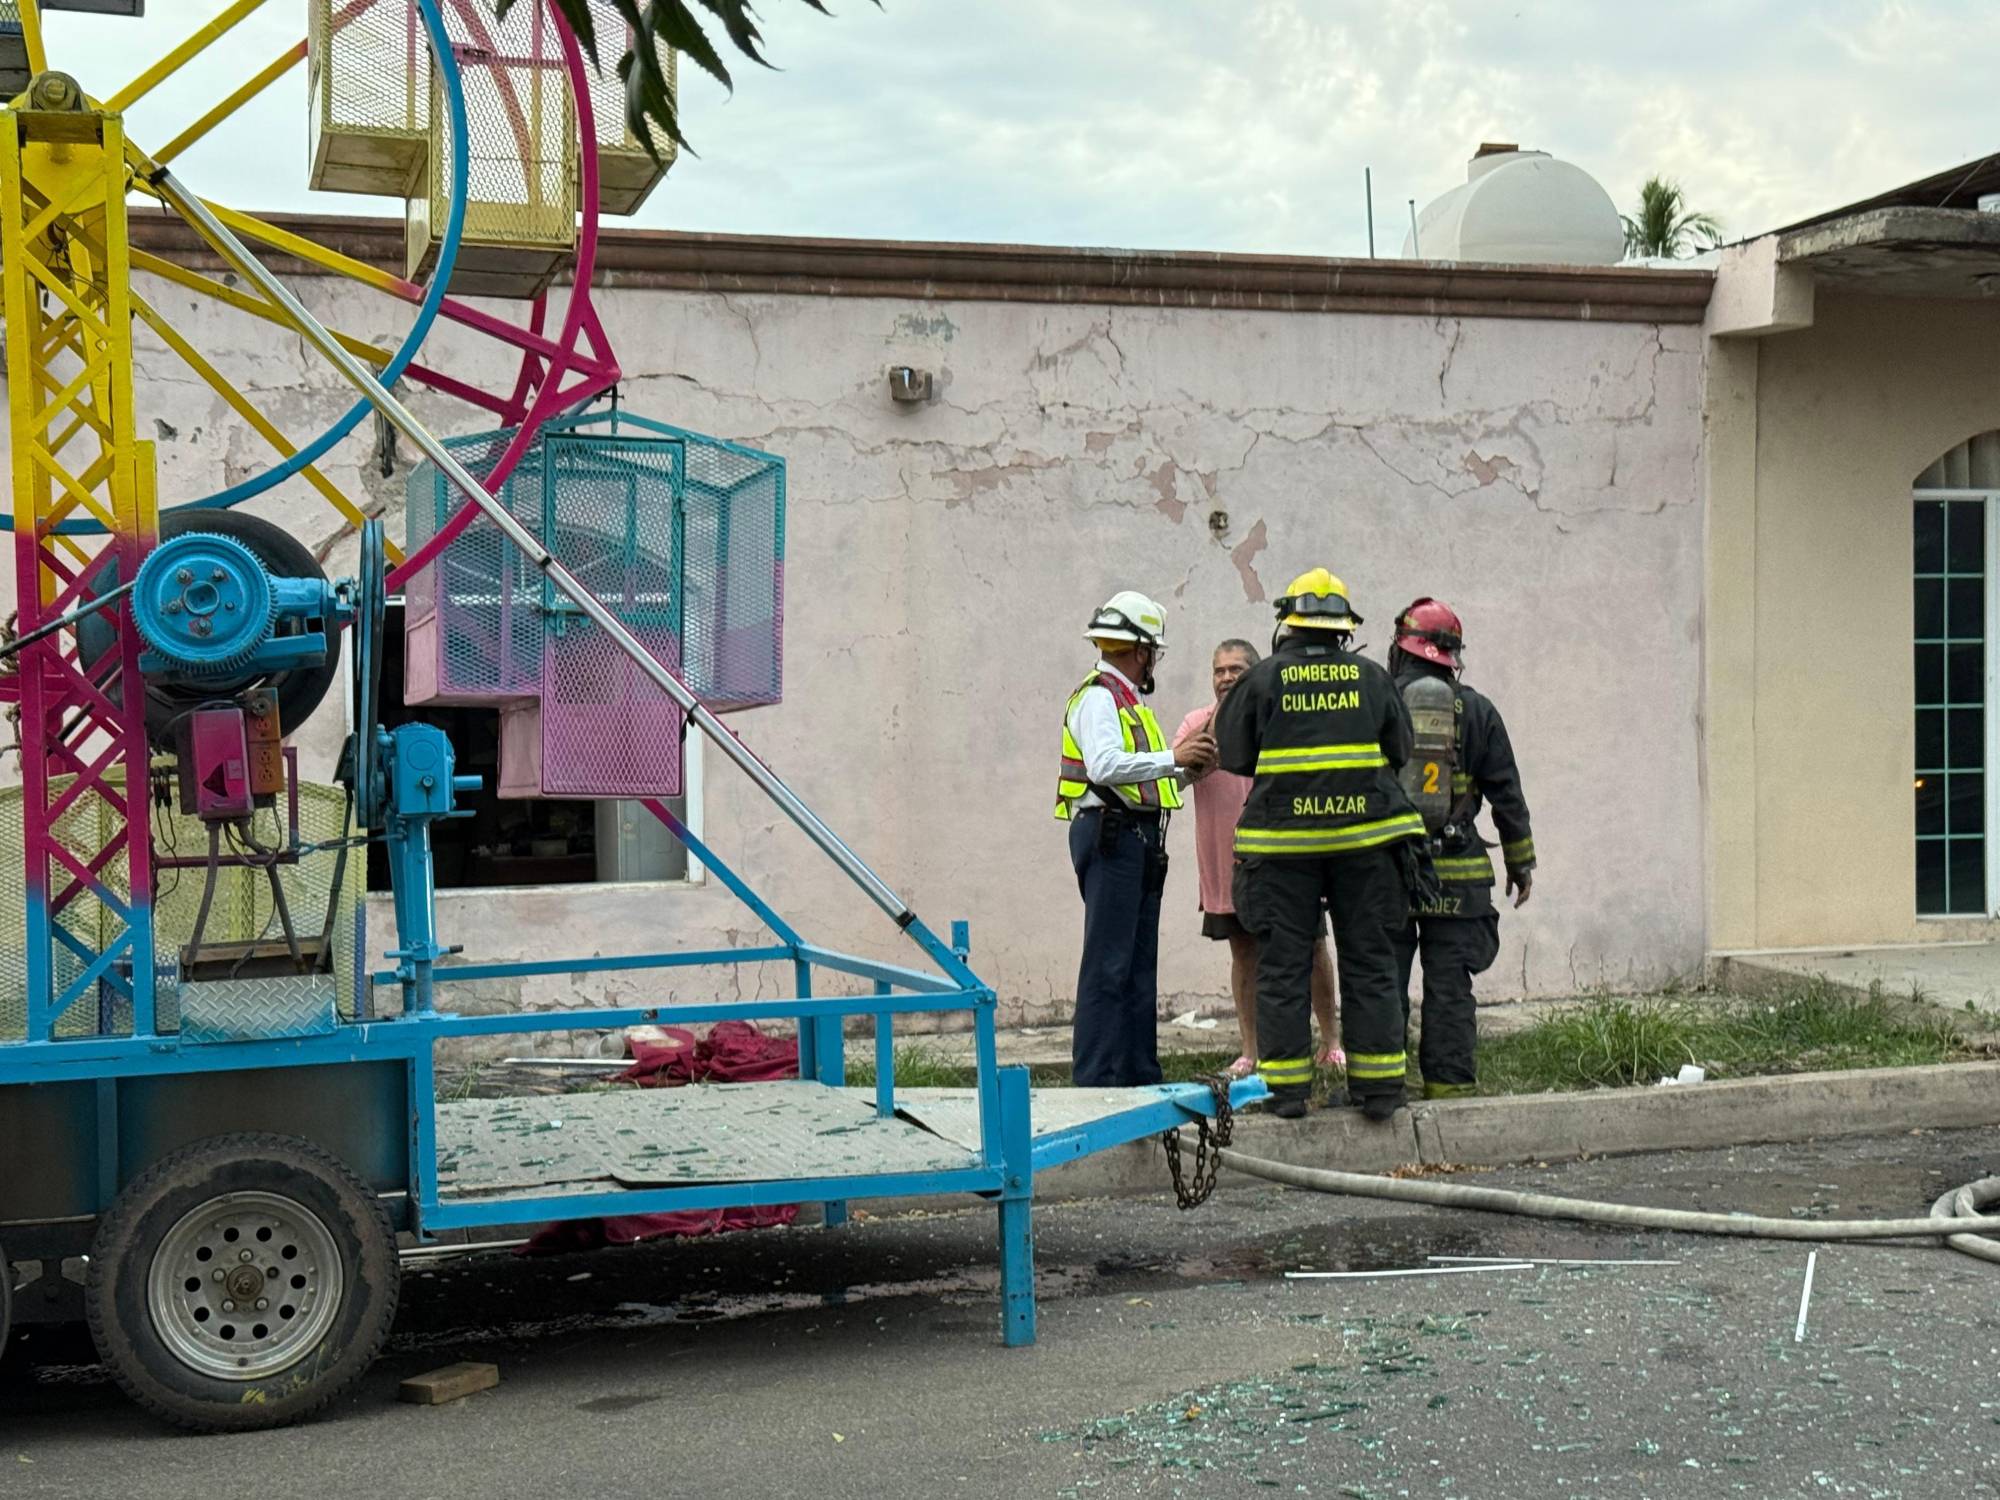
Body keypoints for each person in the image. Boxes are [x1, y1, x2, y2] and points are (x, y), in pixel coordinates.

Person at [1212, 569, 1428, 1121]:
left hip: (1283, 851)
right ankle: (1379, 1090)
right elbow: (1400, 748)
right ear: (1341, 630)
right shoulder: (1373, 677)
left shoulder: (1261, 680)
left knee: (1283, 964)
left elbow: (1233, 755)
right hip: (1366, 844)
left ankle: (1285, 1093)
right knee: (1370, 961)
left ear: (1289, 624)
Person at [1057, 591, 1216, 1086]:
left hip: (1133, 838)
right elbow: (1104, 766)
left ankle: (1137, 1074)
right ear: (1142, 650)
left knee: (1135, 965)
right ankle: (1098, 1081)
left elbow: (1145, 783)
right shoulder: (1100, 697)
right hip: (1111, 838)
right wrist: (1175, 756)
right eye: (1155, 652)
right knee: (1109, 965)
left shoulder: (1129, 702)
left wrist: (1188, 770)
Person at [1388, 598, 1536, 1099]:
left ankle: (1380, 1087)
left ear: (1401, 650)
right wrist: (1521, 863)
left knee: (1384, 981)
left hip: (1392, 872)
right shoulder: (1478, 710)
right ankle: (1448, 1091)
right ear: (1453, 656)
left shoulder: (1380, 701)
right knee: (1450, 986)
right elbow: (1506, 794)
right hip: (1460, 875)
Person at [1174, 638, 1341, 1080]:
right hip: (1226, 865)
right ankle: (1251, 1050)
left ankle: (1331, 1042)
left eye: (1236, 670)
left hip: (1287, 862)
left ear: (1256, 673)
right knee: (1244, 953)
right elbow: (1174, 782)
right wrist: (1214, 727)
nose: (1226, 677)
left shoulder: (1280, 717)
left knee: (1312, 946)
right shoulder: (1196, 723)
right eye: (1218, 671)